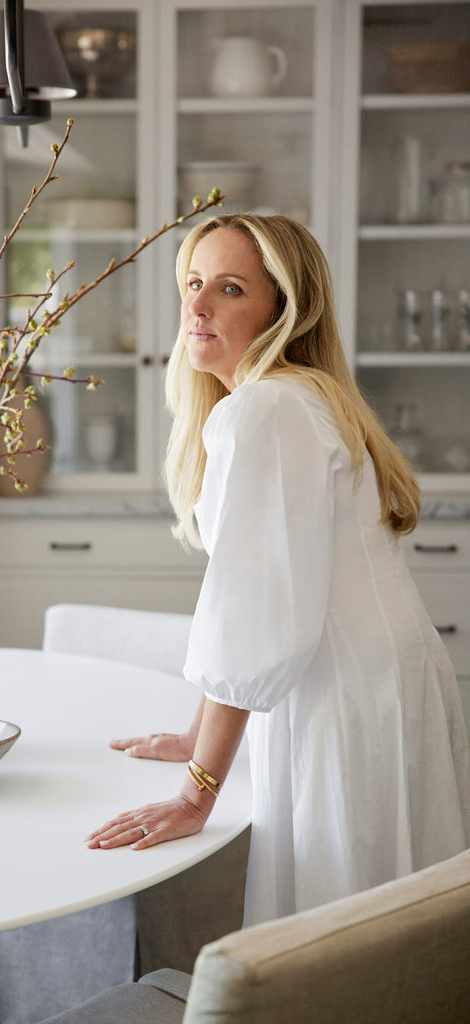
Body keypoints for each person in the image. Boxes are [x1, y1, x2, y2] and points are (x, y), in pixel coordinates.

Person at [85, 213, 470, 927]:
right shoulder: (301, 399)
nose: (196, 306)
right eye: (193, 283)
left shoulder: (264, 411)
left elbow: (252, 617)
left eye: (228, 288)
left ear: (284, 312)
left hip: (337, 706)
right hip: (381, 688)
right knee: (397, 935)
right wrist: (194, 737)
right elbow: (249, 593)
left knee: (337, 943)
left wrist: (197, 788)